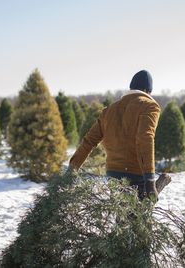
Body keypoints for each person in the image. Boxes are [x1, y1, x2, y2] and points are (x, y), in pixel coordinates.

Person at [69, 70, 161, 201]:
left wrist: (73, 168)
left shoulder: (110, 109)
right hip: (135, 174)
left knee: (122, 217)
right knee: (134, 219)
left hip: (113, 173)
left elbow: (89, 141)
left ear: (131, 88)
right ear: (148, 90)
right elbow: (145, 138)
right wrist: (150, 180)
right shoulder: (149, 106)